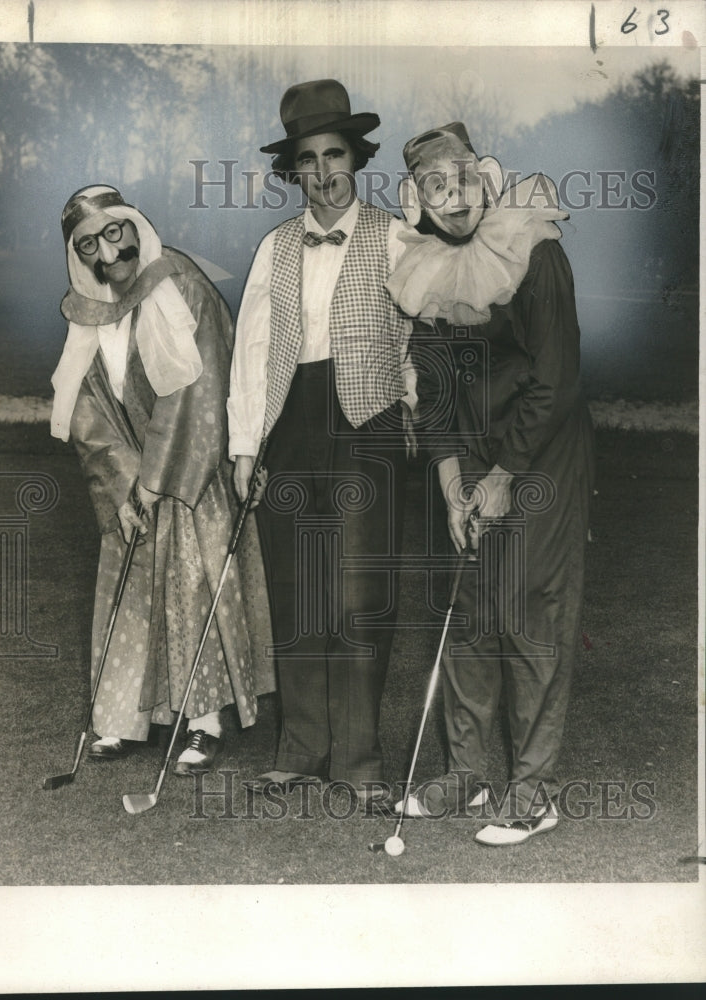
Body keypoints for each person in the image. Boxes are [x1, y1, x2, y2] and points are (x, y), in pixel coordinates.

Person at [388, 124, 595, 845]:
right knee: (470, 601)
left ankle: (533, 792)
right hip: (470, 455)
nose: (452, 200)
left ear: (485, 178)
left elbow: (555, 378)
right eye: (434, 187)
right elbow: (435, 389)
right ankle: (468, 772)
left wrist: (505, 474)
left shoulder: (534, 251)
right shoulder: (423, 267)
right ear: (418, 197)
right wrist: (452, 482)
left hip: (541, 457)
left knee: (528, 609)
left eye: (461, 180)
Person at [228, 79, 415, 807]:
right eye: (307, 159)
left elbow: (415, 342)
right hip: (290, 428)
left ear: (356, 158)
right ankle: (300, 749)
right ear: (294, 171)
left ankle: (360, 763)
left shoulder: (397, 237)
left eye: (334, 153)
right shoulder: (274, 247)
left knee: (359, 596)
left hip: (367, 426)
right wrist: (247, 450)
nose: (323, 171)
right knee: (300, 591)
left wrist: (408, 416)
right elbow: (252, 351)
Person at [51, 184, 274, 773]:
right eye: (89, 244)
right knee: (129, 593)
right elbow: (87, 409)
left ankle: (204, 722)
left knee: (194, 591)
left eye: (114, 233)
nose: (107, 253)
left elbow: (199, 392)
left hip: (188, 472)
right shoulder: (88, 309)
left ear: (135, 227)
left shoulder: (183, 286)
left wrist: (156, 480)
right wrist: (127, 485)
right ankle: (123, 720)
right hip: (133, 481)